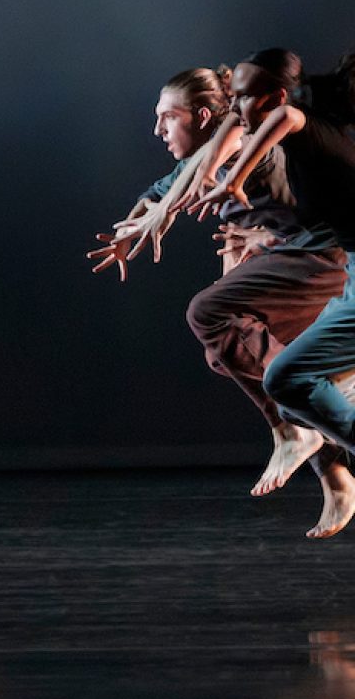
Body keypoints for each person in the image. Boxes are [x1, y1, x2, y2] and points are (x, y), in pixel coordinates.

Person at [88, 66, 353, 539]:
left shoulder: (251, 144)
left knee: (208, 312)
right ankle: (333, 469)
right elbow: (157, 192)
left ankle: (298, 430)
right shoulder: (194, 162)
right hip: (293, 261)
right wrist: (128, 231)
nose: (158, 131)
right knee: (226, 353)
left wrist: (202, 209)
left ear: (204, 114)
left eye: (167, 118)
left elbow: (225, 147)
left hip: (323, 259)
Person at [195, 50, 355, 486]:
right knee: (279, 380)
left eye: (245, 97)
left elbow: (284, 114)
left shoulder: (300, 123)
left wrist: (232, 180)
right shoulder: (322, 135)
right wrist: (265, 236)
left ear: (275, 96)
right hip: (347, 269)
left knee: (285, 379)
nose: (235, 108)